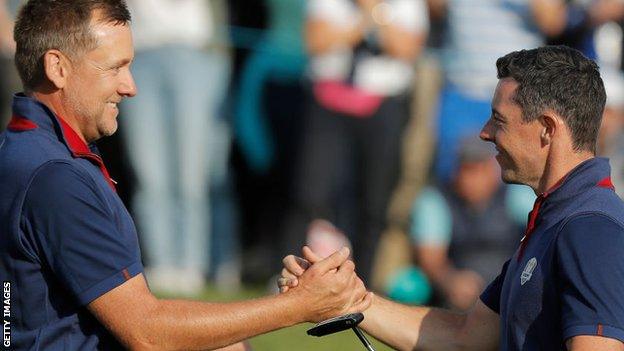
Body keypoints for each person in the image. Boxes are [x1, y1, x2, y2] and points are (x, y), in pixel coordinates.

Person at [0, 1, 371, 349]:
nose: (131, 87)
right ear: (57, 68)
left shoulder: (31, 147)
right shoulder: (55, 175)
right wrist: (299, 306)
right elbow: (147, 332)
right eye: (114, 68)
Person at [280, 45, 624, 350]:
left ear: (547, 129)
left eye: (499, 119)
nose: (485, 132)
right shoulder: (556, 216)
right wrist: (345, 298)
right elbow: (465, 337)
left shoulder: (589, 228)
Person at [409, 137, 533, 311]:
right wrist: (451, 281)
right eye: (466, 170)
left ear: (493, 170)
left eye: (479, 170)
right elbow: (431, 259)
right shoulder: (435, 200)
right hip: (461, 294)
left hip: (511, 285)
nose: (471, 179)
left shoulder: (518, 195)